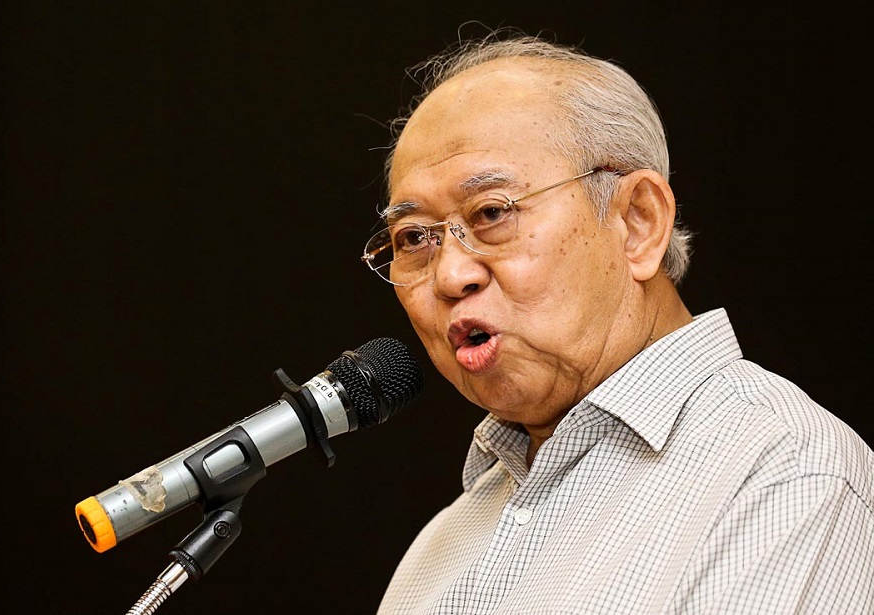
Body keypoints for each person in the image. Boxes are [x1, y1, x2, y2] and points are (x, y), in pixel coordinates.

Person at [361, 30, 874, 614]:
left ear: (637, 222)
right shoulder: (443, 547)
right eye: (414, 238)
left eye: (491, 213)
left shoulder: (783, 473)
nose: (451, 276)